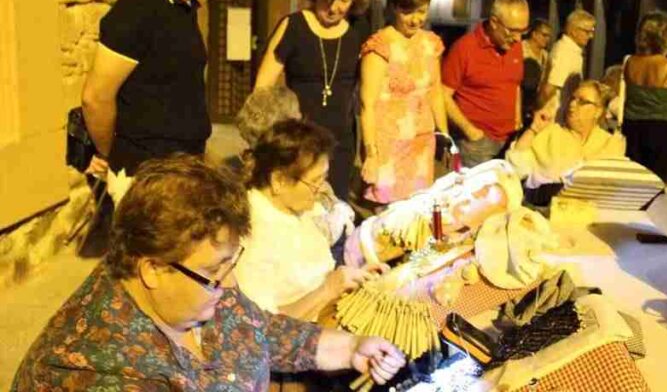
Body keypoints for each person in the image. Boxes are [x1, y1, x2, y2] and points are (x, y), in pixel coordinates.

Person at [12, 155, 405, 390]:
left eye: (230, 263)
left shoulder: (196, 283)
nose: (230, 284)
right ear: (152, 269)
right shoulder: (93, 371)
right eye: (215, 273)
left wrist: (351, 348)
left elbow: (257, 328)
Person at [81, 0, 241, 204]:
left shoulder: (185, 7)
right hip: (149, 180)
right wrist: (112, 157)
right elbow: (96, 97)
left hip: (181, 175)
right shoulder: (141, 5)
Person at [236, 117, 384, 322]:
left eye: (323, 179)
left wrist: (355, 277)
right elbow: (261, 325)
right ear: (278, 181)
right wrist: (328, 289)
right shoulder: (254, 235)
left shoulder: (296, 208)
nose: (321, 189)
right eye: (314, 181)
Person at [254, 0, 370, 201]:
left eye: (344, 0)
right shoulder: (293, 26)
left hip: (340, 143)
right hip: (299, 144)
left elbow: (370, 92)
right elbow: (262, 88)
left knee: (335, 214)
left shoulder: (358, 33)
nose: (334, 7)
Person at [360, 0, 448, 203]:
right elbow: (366, 104)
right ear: (392, 8)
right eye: (407, 11)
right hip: (388, 146)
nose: (415, 19)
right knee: (388, 219)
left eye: (421, 11)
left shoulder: (431, 44)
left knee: (417, 213)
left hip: (422, 144)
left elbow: (436, 92)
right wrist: (371, 153)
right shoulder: (380, 45)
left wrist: (444, 135)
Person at [442, 0, 530, 168]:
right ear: (494, 22)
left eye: (523, 31)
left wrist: (517, 120)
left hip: (510, 140)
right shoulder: (464, 48)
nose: (518, 38)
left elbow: (515, 85)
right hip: (477, 145)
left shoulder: (515, 47)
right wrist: (471, 132)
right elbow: (442, 95)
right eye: (512, 31)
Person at [506, 79, 626, 193]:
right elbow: (517, 170)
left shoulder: (610, 142)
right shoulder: (551, 134)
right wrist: (534, 129)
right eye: (572, 98)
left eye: (582, 102)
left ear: (598, 111)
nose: (572, 104)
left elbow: (612, 186)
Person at [623, 10, 667, 180]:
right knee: (656, 182)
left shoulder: (631, 62)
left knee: (633, 180)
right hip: (660, 129)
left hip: (632, 128)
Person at [540, 9, 596, 123]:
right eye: (587, 31)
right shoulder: (565, 53)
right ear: (574, 31)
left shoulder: (572, 51)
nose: (591, 36)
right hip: (555, 119)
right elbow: (549, 89)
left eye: (592, 31)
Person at [521, 18, 553, 126]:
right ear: (534, 34)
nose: (547, 39)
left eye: (549, 36)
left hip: (536, 103)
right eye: (544, 35)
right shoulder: (521, 50)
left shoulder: (546, 55)